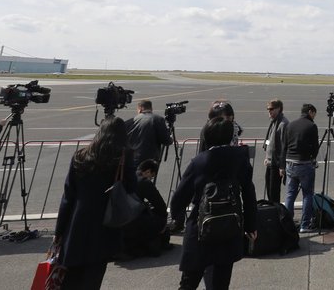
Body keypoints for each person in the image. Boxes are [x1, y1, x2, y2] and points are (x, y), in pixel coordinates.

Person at [171, 117, 257, 290]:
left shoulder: (200, 161)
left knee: (189, 281)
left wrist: (176, 216)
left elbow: (180, 197)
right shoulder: (240, 158)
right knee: (220, 282)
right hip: (230, 225)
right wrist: (251, 225)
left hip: (201, 226)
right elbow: (249, 193)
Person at [54, 117, 137, 289]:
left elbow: (68, 196)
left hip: (77, 220)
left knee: (70, 275)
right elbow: (131, 187)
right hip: (104, 222)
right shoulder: (122, 156)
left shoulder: (80, 156)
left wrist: (59, 230)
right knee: (93, 276)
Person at [282, 103, 320, 233]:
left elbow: (285, 145)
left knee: (290, 194)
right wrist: (313, 158)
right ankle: (305, 224)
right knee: (307, 194)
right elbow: (315, 146)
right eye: (314, 113)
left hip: (290, 162)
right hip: (305, 163)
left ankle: (287, 224)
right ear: (310, 112)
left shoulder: (291, 124)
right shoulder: (312, 126)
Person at [122, 159, 171, 257]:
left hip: (118, 219)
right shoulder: (144, 182)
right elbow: (160, 205)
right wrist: (164, 221)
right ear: (148, 171)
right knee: (159, 220)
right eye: (151, 176)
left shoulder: (125, 177)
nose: (151, 179)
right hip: (132, 221)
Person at [124, 100, 173, 170]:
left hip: (133, 158)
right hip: (150, 160)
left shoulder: (130, 121)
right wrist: (170, 139)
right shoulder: (158, 119)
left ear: (140, 109)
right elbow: (166, 140)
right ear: (151, 109)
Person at [263, 99, 288, 203]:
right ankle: (271, 210)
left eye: (271, 109)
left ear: (278, 109)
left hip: (276, 164)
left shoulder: (283, 124)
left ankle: (276, 213)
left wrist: (282, 166)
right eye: (268, 109)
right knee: (269, 189)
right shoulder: (273, 122)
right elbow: (269, 140)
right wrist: (266, 156)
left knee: (274, 192)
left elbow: (284, 147)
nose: (269, 111)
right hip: (270, 162)